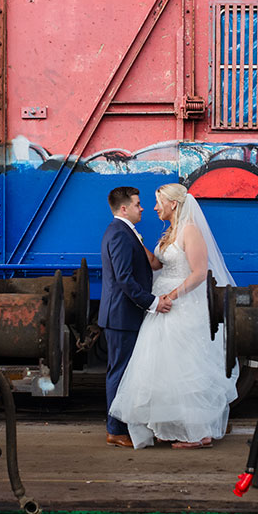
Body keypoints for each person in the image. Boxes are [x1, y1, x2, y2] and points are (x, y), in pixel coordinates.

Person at [109, 182, 239, 449]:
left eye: (159, 202)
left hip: (182, 304)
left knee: (188, 367)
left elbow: (199, 272)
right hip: (163, 304)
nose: (154, 207)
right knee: (166, 369)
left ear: (173, 204)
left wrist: (172, 296)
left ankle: (199, 433)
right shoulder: (170, 231)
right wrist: (137, 242)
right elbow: (157, 263)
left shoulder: (190, 231)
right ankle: (176, 426)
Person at [99, 187, 173, 448]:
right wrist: (153, 303)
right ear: (124, 209)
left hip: (124, 314)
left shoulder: (123, 231)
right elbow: (124, 279)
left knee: (123, 371)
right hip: (121, 315)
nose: (142, 208)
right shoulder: (119, 234)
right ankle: (115, 430)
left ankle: (120, 426)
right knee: (119, 373)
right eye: (138, 204)